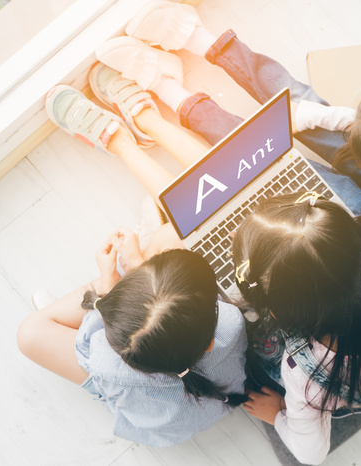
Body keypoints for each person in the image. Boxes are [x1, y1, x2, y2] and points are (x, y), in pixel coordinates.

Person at [105, 0, 361, 347]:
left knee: (262, 172)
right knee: (301, 104)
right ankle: (196, 38)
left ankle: (173, 94)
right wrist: (313, 115)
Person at [17, 83, 249, 446]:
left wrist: (109, 285)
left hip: (135, 385)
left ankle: (123, 147)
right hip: (196, 387)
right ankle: (129, 147)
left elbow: (101, 341)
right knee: (168, 239)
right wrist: (136, 263)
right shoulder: (231, 323)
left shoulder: (112, 366)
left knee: (31, 334)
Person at [231, 192, 361, 464]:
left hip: (340, 394)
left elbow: (312, 454)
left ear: (275, 312)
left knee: (254, 342)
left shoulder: (300, 372)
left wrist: (277, 417)